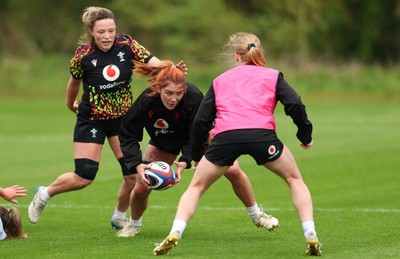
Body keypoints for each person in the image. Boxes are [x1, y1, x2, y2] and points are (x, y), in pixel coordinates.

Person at [153, 32, 322, 256]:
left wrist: (195, 155)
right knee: (294, 179)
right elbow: (295, 104)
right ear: (258, 52)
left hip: (226, 139)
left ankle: (175, 232)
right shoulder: (272, 75)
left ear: (236, 56)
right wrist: (305, 134)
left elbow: (200, 122)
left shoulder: (220, 80)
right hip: (262, 137)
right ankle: (310, 234)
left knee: (196, 187)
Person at [27, 6, 183, 224]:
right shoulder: (83, 55)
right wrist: (69, 103)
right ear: (91, 31)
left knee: (132, 176)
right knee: (84, 177)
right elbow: (74, 81)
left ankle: (119, 217)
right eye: (101, 32)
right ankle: (45, 193)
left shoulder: (126, 44)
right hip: (92, 118)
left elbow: (152, 62)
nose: (107, 36)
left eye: (111, 30)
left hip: (122, 121)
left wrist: (171, 69)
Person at [114, 60, 279, 237]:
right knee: (141, 188)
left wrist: (187, 159)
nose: (173, 99)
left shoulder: (193, 97)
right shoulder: (147, 100)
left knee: (233, 171)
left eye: (179, 93)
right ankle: (133, 225)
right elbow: (128, 133)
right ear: (158, 88)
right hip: (164, 139)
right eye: (168, 93)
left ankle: (257, 215)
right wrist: (136, 164)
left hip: (199, 137)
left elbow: (199, 130)